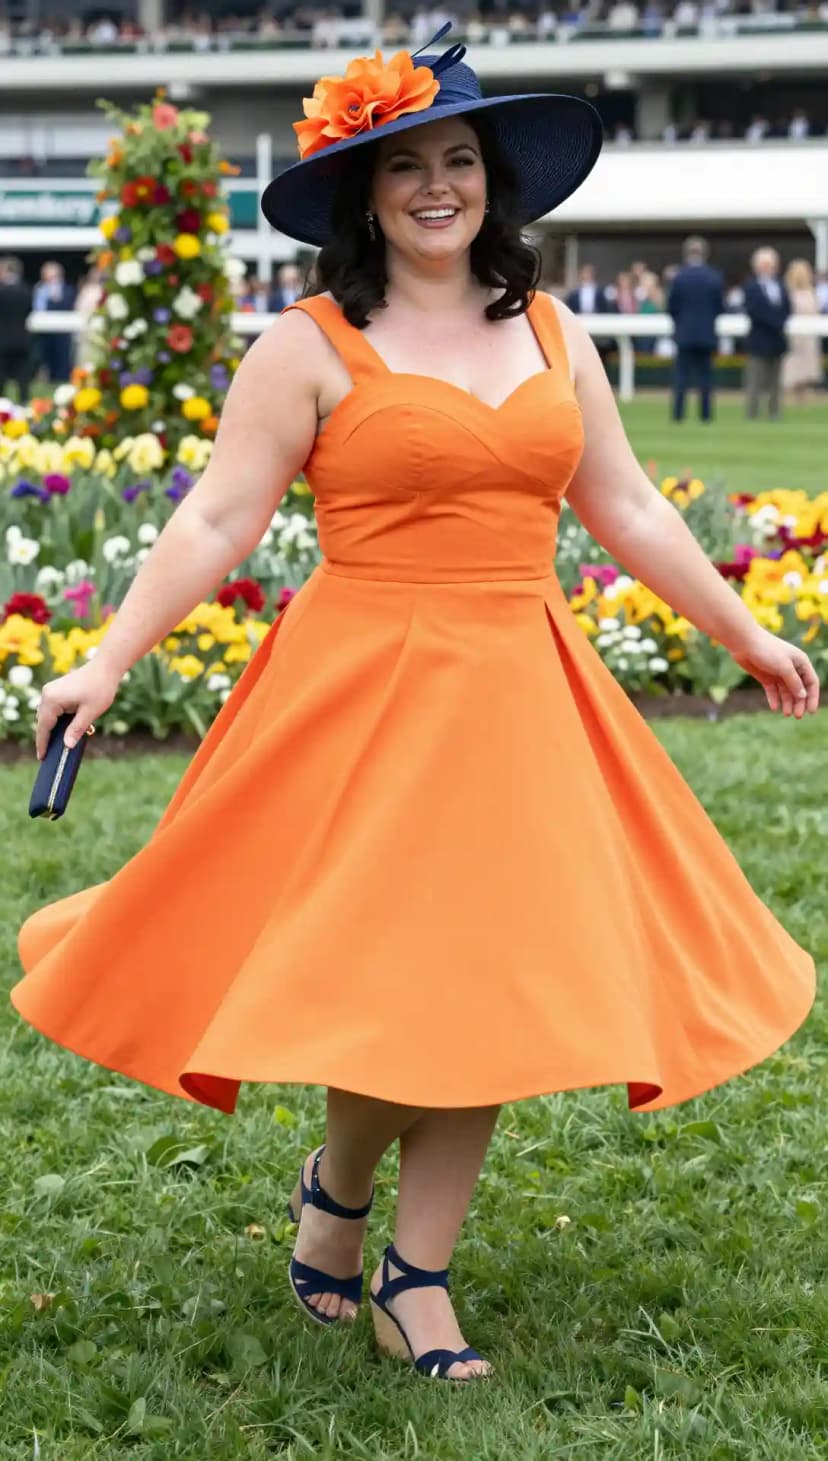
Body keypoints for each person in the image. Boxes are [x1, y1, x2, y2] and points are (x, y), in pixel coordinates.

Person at [11, 25, 818, 1385]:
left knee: (480, 980)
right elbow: (215, 519)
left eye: (460, 161)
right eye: (406, 165)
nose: (437, 186)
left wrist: (746, 634)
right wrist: (105, 660)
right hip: (362, 695)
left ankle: (412, 1272)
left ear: (494, 183)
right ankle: (337, 1195)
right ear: (365, 192)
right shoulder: (308, 344)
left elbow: (624, 505)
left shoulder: (552, 331)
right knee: (393, 981)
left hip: (520, 690)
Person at [667, 235, 725, 422]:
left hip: (684, 334)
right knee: (706, 378)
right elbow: (720, 307)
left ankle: (678, 415)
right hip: (706, 334)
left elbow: (671, 307)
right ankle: (705, 415)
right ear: (705, 254)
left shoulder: (679, 277)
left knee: (681, 377)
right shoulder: (714, 276)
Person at [743, 246, 791, 419]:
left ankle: (774, 411)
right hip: (759, 339)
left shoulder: (781, 285)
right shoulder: (751, 286)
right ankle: (752, 412)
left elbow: (787, 308)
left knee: (775, 380)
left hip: (777, 339)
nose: (768, 268)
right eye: (764, 265)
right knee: (755, 379)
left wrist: (779, 323)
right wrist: (775, 322)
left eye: (771, 265)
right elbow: (754, 311)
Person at [781, 258, 822, 403]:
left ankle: (802, 395)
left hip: (809, 334)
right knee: (793, 363)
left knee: (806, 364)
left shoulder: (811, 292)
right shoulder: (788, 293)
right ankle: (791, 394)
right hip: (794, 335)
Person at [31, 261, 76, 384]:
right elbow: (37, 307)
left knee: (62, 358)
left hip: (63, 331)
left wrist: (55, 297)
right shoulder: (39, 289)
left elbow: (68, 305)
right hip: (44, 331)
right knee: (45, 358)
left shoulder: (68, 289)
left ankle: (62, 381)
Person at [0, 255, 34, 402]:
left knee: (1, 374)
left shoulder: (1, 292)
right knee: (22, 373)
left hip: (2, 339)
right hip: (22, 338)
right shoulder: (26, 290)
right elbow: (29, 310)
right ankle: (24, 401)